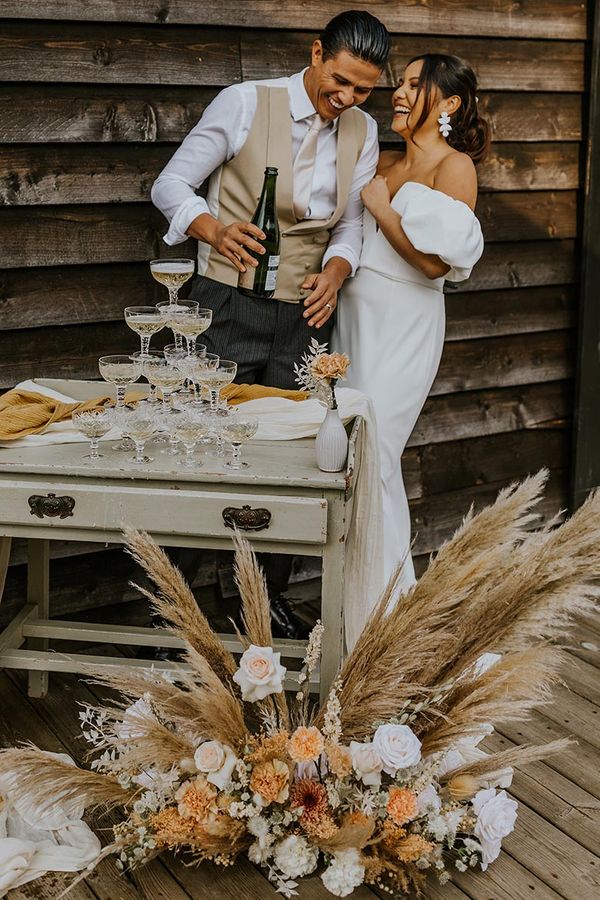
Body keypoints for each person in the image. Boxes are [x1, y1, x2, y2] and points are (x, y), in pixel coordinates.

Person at [151, 10, 390, 638]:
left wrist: (335, 277)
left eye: (362, 90)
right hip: (225, 303)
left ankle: (263, 599)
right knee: (202, 441)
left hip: (305, 318)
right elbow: (171, 184)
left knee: (292, 453)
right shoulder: (244, 103)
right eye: (339, 81)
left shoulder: (363, 130)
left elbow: (350, 225)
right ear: (316, 53)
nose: (346, 99)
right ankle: (175, 598)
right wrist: (213, 229)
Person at [334, 53, 488, 591]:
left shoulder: (454, 166)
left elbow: (433, 264)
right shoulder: (382, 164)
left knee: (375, 456)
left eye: (415, 84)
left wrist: (382, 209)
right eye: (400, 83)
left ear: (449, 102)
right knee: (350, 459)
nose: (398, 92)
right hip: (353, 319)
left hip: (404, 324)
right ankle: (354, 607)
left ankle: (386, 616)